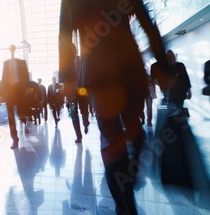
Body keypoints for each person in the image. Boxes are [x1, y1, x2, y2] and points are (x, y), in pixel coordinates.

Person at [59, 1, 170, 214]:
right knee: (115, 140)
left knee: (129, 136)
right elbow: (65, 32)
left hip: (115, 70)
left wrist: (163, 65)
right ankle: (125, 204)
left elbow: (145, 19)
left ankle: (126, 190)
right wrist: (65, 77)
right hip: (110, 72)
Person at [0, 44, 30, 149]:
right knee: (11, 116)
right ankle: (15, 140)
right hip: (10, 92)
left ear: (15, 49)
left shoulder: (21, 62)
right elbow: (3, 78)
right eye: (10, 48)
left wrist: (27, 89)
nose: (12, 50)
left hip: (20, 90)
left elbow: (26, 76)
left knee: (22, 113)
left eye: (13, 48)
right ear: (9, 50)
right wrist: (0, 94)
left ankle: (25, 123)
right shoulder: (5, 63)